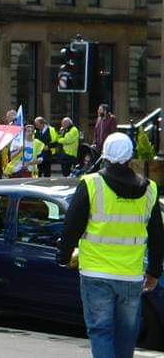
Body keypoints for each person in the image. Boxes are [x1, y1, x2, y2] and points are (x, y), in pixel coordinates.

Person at [57, 133, 163, 358]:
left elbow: (72, 226)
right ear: (130, 157)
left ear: (104, 156)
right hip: (131, 275)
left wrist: (64, 256)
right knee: (126, 334)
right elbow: (156, 235)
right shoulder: (150, 189)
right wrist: (154, 271)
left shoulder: (91, 183)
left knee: (101, 331)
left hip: (96, 273)